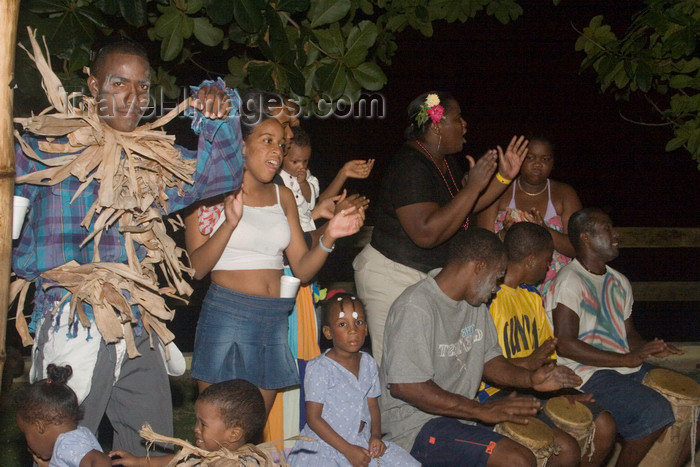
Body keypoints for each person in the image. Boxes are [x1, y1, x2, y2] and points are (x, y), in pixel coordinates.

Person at [13, 35, 243, 456]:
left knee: (151, 447)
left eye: (142, 86)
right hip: (72, 320)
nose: (133, 97)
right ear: (93, 82)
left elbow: (221, 177)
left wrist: (218, 115)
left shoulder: (151, 160)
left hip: (138, 323)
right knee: (62, 448)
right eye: (119, 83)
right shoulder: (47, 147)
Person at [184, 103, 365, 416]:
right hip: (229, 315)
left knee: (252, 429)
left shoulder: (283, 197)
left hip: (276, 317)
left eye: (281, 145)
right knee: (218, 430)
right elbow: (197, 269)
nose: (277, 151)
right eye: (267, 140)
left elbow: (302, 269)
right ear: (241, 144)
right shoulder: (208, 192)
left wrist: (331, 234)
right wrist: (229, 223)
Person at [380, 227, 583, 467]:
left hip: (461, 418)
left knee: (564, 451)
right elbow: (407, 386)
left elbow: (490, 361)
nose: (496, 288)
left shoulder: (473, 304)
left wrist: (531, 379)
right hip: (417, 427)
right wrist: (478, 410)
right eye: (496, 277)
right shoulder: (416, 306)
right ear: (478, 267)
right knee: (517, 460)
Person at [353, 91, 528, 364]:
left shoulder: (443, 161)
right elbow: (426, 233)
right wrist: (472, 187)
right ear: (437, 126)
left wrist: (504, 177)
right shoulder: (410, 165)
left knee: (428, 364)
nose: (464, 125)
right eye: (458, 119)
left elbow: (462, 206)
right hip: (392, 275)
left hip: (420, 275)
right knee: (397, 367)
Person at [549, 207, 685, 466]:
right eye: (607, 228)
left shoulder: (619, 281)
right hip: (585, 373)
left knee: (693, 403)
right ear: (585, 237)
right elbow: (565, 345)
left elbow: (629, 335)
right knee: (655, 411)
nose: (616, 234)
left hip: (620, 366)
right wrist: (626, 360)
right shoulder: (569, 281)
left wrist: (648, 348)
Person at [477, 222, 616, 467]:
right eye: (546, 260)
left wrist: (561, 390)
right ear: (530, 260)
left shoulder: (532, 296)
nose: (549, 266)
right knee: (565, 449)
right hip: (492, 392)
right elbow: (479, 363)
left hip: (533, 386)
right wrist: (529, 368)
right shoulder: (489, 298)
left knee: (603, 424)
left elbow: (545, 355)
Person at [287, 292, 419, 466]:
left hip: (360, 442)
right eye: (342, 324)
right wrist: (348, 450)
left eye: (359, 322)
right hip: (327, 446)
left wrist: (375, 436)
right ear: (328, 332)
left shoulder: (369, 363)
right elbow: (313, 419)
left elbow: (373, 406)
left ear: (366, 328)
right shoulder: (320, 368)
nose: (352, 330)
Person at [477, 136, 582, 301]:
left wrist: (545, 232)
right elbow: (482, 244)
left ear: (553, 162)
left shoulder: (565, 194)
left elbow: (578, 247)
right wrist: (505, 233)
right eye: (530, 157)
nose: (538, 164)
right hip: (504, 284)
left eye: (545, 159)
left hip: (553, 289)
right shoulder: (499, 190)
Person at [109, 379, 267, 466]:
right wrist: (137, 461)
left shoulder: (244, 464)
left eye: (203, 424)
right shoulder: (203, 456)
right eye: (197, 422)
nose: (196, 429)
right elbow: (172, 460)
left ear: (233, 434)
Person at [15, 364, 111, 467]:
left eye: (25, 434)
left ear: (39, 426)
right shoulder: (73, 438)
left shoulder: (67, 444)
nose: (27, 447)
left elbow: (102, 461)